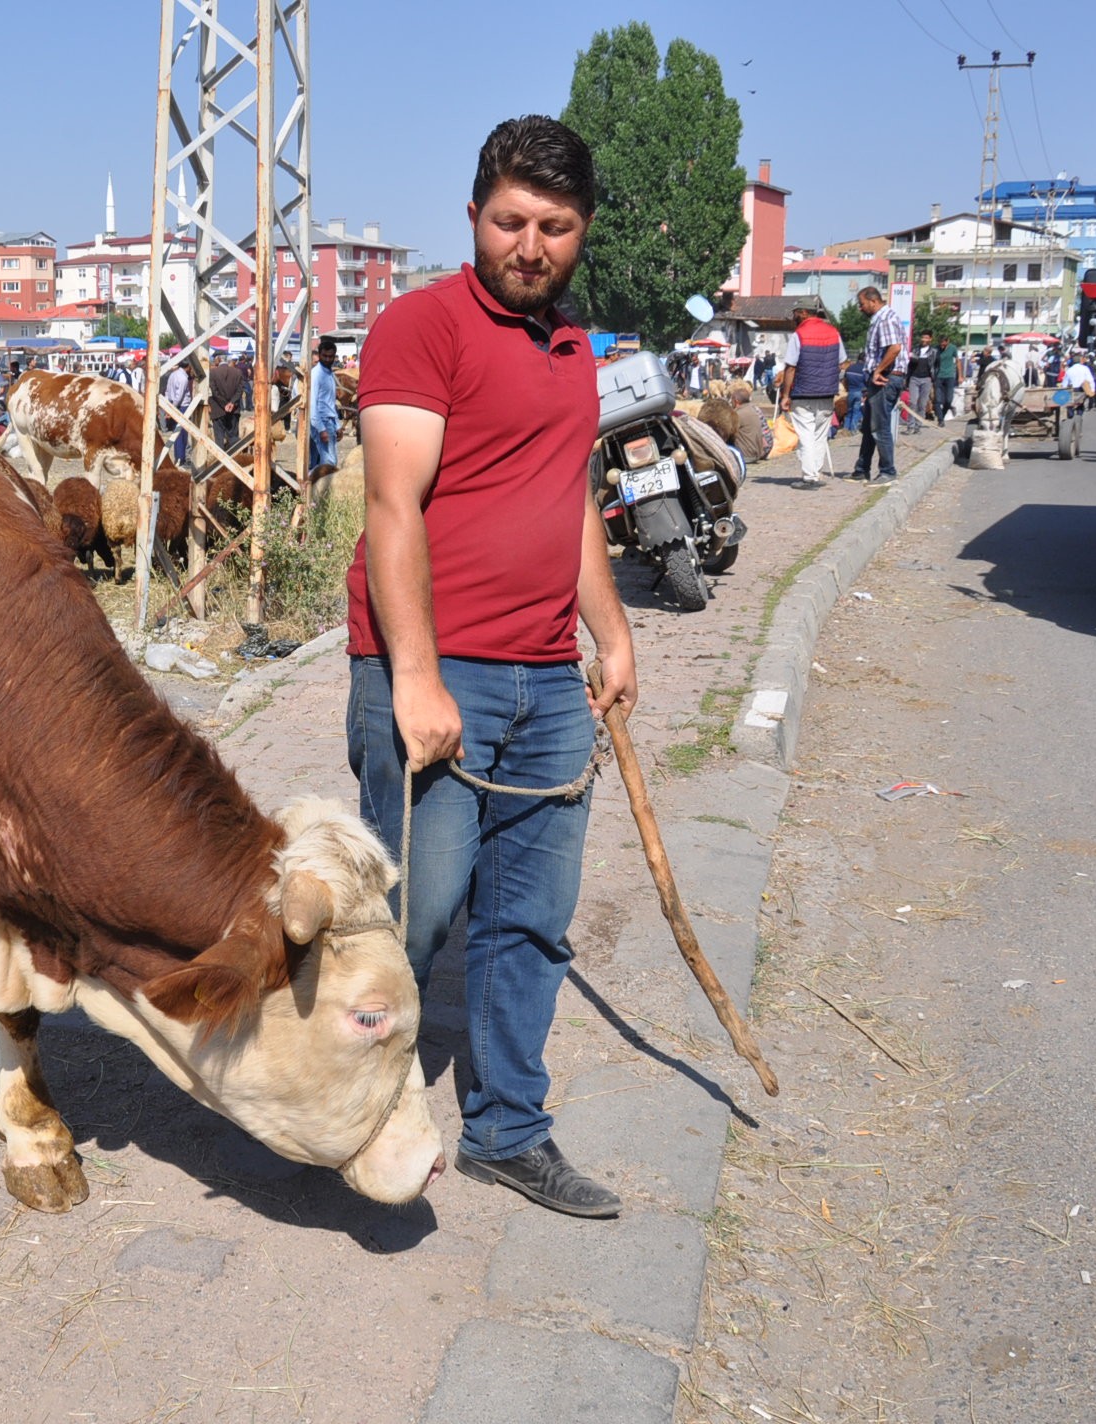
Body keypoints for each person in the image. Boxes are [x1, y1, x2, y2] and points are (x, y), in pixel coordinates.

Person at [347, 113, 636, 1220]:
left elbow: (565, 503)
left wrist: (607, 631)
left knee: (529, 919)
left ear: (580, 231)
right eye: (509, 220)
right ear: (472, 215)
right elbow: (391, 509)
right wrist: (416, 680)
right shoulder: (420, 327)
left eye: (553, 226)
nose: (529, 244)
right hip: (434, 674)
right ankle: (353, 1111)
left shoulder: (571, 349)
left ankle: (508, 1129)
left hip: (545, 682)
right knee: (410, 922)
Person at [776, 302, 845, 485]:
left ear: (804, 313)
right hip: (827, 393)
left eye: (795, 314)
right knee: (820, 435)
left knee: (806, 434)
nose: (793, 318)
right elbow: (842, 362)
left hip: (803, 392)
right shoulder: (833, 332)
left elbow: (790, 367)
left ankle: (809, 476)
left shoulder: (799, 334)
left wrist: (785, 395)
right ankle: (816, 471)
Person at [851, 286, 907, 481]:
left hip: (886, 378)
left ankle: (887, 471)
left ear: (873, 301)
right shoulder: (879, 319)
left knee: (879, 426)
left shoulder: (886, 319)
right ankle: (862, 468)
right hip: (880, 378)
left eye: (862, 304)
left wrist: (878, 370)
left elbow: (895, 348)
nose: (860, 308)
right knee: (868, 426)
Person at [309, 336, 341, 477]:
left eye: (331, 356)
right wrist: (321, 429)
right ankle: (325, 494)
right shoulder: (316, 375)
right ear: (319, 355)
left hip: (330, 420)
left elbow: (330, 402)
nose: (328, 359)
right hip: (321, 421)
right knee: (329, 462)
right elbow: (312, 403)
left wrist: (338, 425)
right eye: (325, 356)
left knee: (318, 462)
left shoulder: (329, 373)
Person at [208, 350, 244, 454]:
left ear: (218, 359)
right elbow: (240, 390)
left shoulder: (213, 373)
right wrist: (231, 403)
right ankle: (234, 459)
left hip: (218, 410)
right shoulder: (237, 372)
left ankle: (220, 463)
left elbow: (214, 392)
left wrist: (224, 404)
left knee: (219, 438)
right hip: (234, 410)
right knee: (233, 437)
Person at [904, 332, 938, 425]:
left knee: (922, 404)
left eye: (926, 338)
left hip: (926, 379)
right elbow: (909, 365)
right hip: (914, 378)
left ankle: (919, 424)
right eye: (922, 337)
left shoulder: (934, 351)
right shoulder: (915, 350)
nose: (924, 339)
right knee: (913, 402)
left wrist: (933, 378)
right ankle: (910, 424)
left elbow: (936, 366)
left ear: (930, 339)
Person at [934, 335, 959, 425]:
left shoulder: (953, 348)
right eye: (940, 343)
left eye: (944, 343)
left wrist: (960, 376)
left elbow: (957, 361)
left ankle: (942, 416)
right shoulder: (936, 349)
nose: (942, 345)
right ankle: (940, 420)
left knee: (948, 400)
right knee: (937, 400)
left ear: (947, 341)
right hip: (938, 376)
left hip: (949, 376)